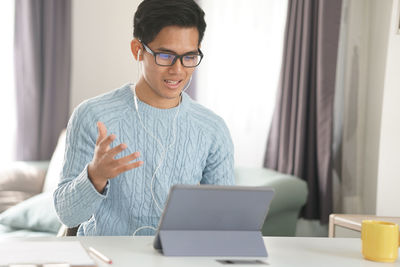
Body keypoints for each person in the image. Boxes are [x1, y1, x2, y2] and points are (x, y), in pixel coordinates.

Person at [54, 0, 234, 236]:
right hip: (105, 259)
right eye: (165, 55)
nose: (178, 70)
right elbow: (67, 216)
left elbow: (228, 221)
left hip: (176, 259)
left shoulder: (212, 129)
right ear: (137, 49)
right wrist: (95, 176)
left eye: (189, 56)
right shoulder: (92, 115)